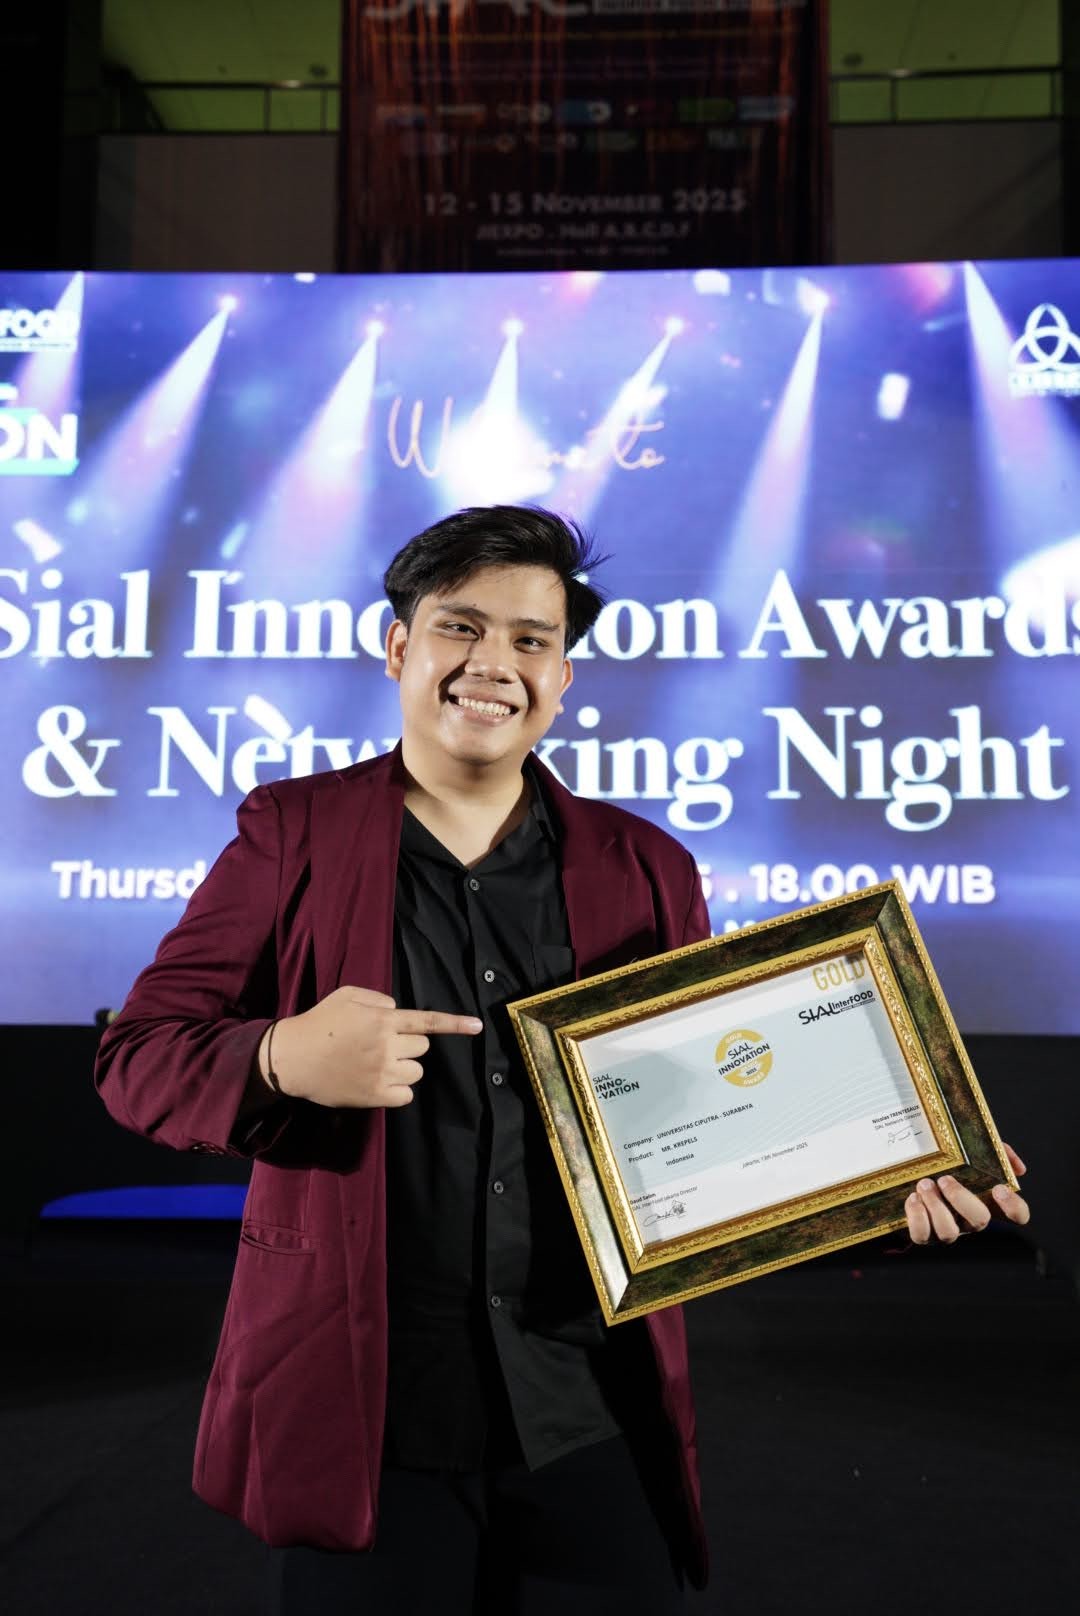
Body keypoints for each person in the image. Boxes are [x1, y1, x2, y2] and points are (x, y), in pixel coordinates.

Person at [95, 505, 1029, 1615]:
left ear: (564, 677)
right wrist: (281, 1056)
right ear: (399, 648)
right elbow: (138, 1056)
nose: (493, 663)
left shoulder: (645, 866)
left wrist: (885, 1177)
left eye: (530, 640)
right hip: (364, 1402)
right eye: (460, 627)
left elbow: (720, 1116)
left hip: (589, 1402)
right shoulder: (292, 833)